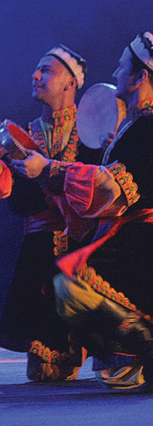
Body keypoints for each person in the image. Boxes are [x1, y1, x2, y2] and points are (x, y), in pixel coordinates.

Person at [11, 32, 153, 391]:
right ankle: (132, 359)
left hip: (139, 240)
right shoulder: (136, 125)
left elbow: (113, 187)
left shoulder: (148, 126)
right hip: (125, 236)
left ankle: (143, 353)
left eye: (123, 67)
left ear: (141, 77)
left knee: (72, 284)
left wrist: (50, 170)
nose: (116, 72)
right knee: (66, 286)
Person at [0, 44, 100, 382]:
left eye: (46, 70)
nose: (35, 75)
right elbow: (1, 190)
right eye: (36, 69)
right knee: (43, 373)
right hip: (38, 252)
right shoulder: (23, 135)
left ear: (70, 83)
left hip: (85, 251)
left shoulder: (94, 129)